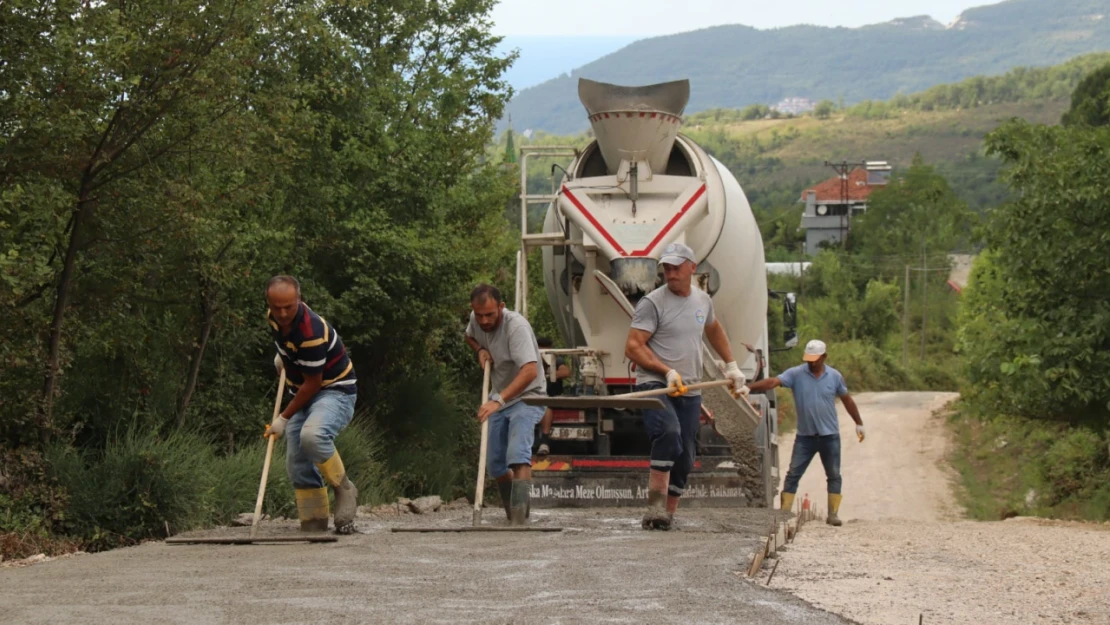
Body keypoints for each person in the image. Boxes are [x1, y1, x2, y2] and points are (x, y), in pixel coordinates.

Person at [624, 242, 748, 531]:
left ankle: (667, 515)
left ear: (693, 267)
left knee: (686, 454)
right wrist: (666, 371)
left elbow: (713, 328)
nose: (670, 274)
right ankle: (654, 508)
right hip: (657, 384)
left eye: (676, 267)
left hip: (690, 387)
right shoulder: (652, 303)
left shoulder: (702, 301)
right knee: (669, 434)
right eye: (666, 268)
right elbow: (633, 346)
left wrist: (731, 365)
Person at [263, 276, 359, 534]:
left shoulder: (311, 331)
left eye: (288, 307)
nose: (282, 314)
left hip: (335, 390)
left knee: (312, 435)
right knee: (296, 461)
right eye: (276, 307)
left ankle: (344, 488)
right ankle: (315, 519)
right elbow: (287, 342)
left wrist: (283, 418)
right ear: (269, 303)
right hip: (303, 389)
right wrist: (283, 355)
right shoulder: (273, 318)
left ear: (299, 300)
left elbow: (313, 384)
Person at [746, 339, 864, 527]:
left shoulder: (834, 377)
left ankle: (833, 514)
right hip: (805, 437)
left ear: (824, 357)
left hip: (829, 436)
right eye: (809, 359)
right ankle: (784, 513)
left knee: (834, 474)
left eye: (815, 359)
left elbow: (847, 399)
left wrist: (858, 423)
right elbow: (773, 382)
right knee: (793, 474)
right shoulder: (796, 374)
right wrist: (749, 388)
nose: (811, 362)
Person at [464, 284, 547, 525]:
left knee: (518, 455)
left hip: (528, 396)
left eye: (490, 314)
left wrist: (499, 400)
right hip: (500, 397)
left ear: (501, 307)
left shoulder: (516, 327)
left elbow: (530, 370)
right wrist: (480, 349)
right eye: (479, 315)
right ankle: (515, 512)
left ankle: (519, 520)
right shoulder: (476, 319)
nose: (484, 320)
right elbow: (468, 335)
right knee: (495, 463)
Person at [535, 336, 571, 457]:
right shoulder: (531, 359)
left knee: (546, 407)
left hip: (551, 396)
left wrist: (547, 375)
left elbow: (566, 372)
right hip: (534, 396)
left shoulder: (556, 359)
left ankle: (545, 441)